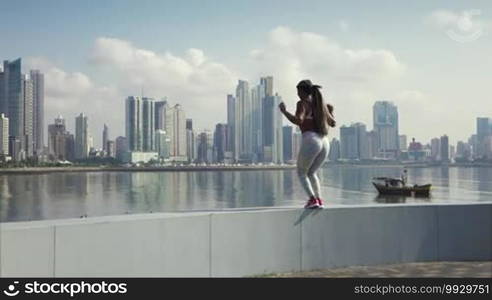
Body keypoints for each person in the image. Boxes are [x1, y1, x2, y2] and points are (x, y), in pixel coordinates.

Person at [278, 80, 336, 209]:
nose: (298, 94)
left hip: (311, 139)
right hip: (325, 141)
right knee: (311, 173)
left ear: (303, 91)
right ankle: (319, 200)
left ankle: (312, 199)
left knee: (301, 172)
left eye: (298, 91)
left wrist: (284, 111)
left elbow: (298, 120)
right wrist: (330, 111)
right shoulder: (321, 104)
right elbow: (333, 123)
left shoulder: (302, 103)